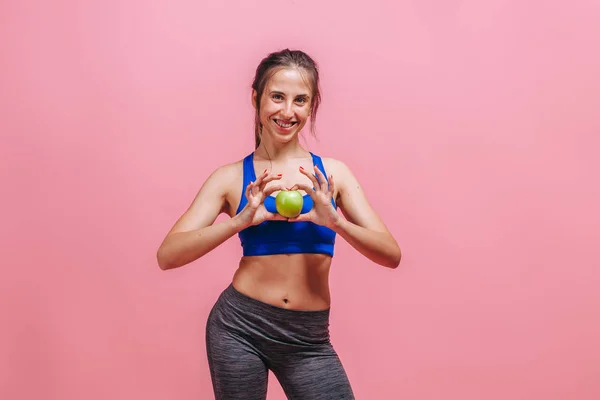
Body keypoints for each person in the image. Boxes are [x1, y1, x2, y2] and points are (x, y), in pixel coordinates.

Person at [156, 48, 401, 400]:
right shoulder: (230, 178)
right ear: (256, 98)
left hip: (308, 339)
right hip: (239, 327)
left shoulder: (332, 175)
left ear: (312, 105)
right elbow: (168, 255)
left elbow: (391, 254)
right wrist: (239, 221)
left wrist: (335, 222)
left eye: (300, 100)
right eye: (277, 97)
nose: (287, 112)